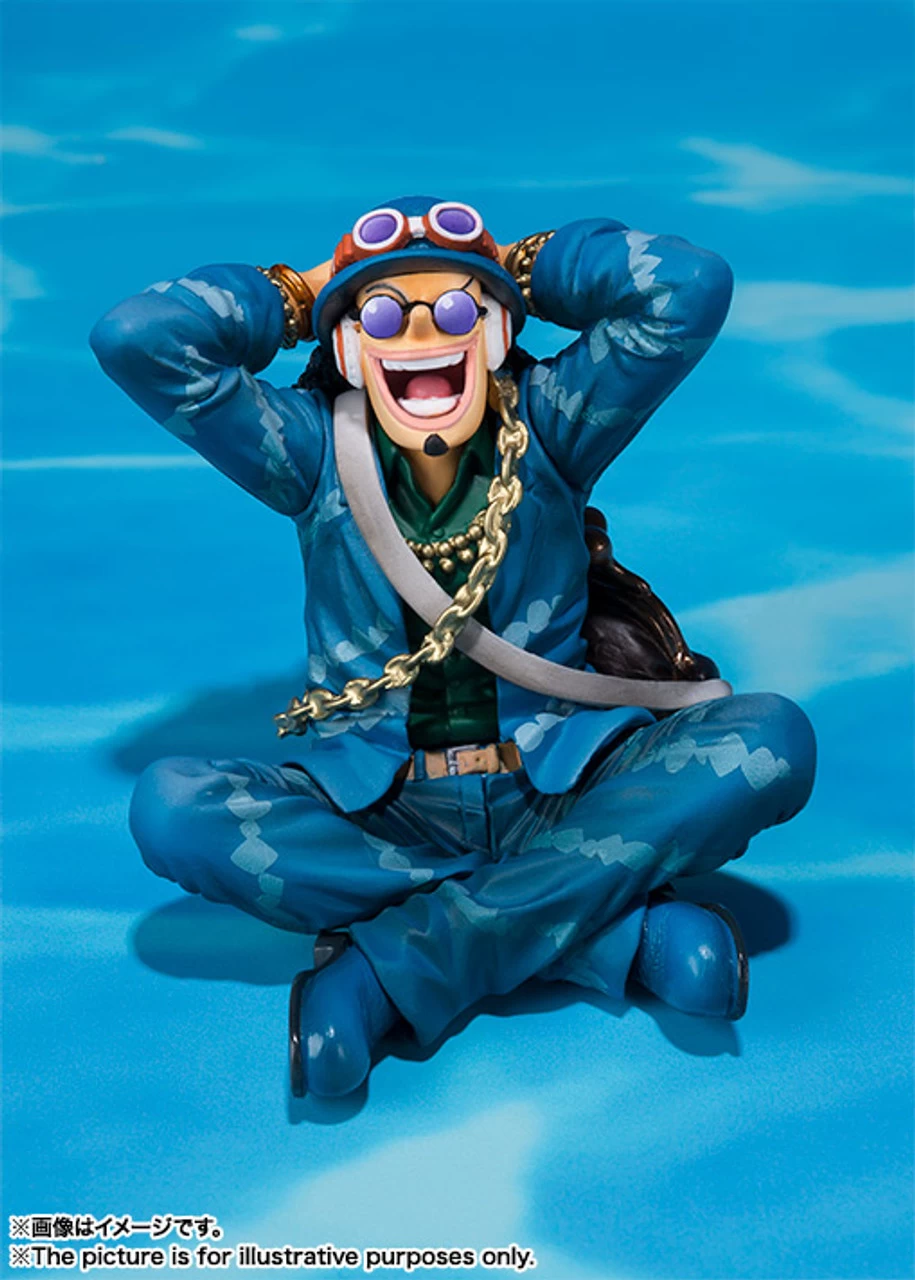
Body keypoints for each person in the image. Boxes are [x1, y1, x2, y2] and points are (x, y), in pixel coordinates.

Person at [90, 196, 816, 1098]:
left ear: (496, 330)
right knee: (172, 808)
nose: (422, 333)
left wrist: (524, 264)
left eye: (458, 309)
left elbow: (686, 286)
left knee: (769, 738)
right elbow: (138, 337)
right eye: (384, 315)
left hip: (563, 780)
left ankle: (401, 964)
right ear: (349, 347)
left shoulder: (552, 426)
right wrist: (302, 292)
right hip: (381, 808)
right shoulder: (310, 454)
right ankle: (604, 932)